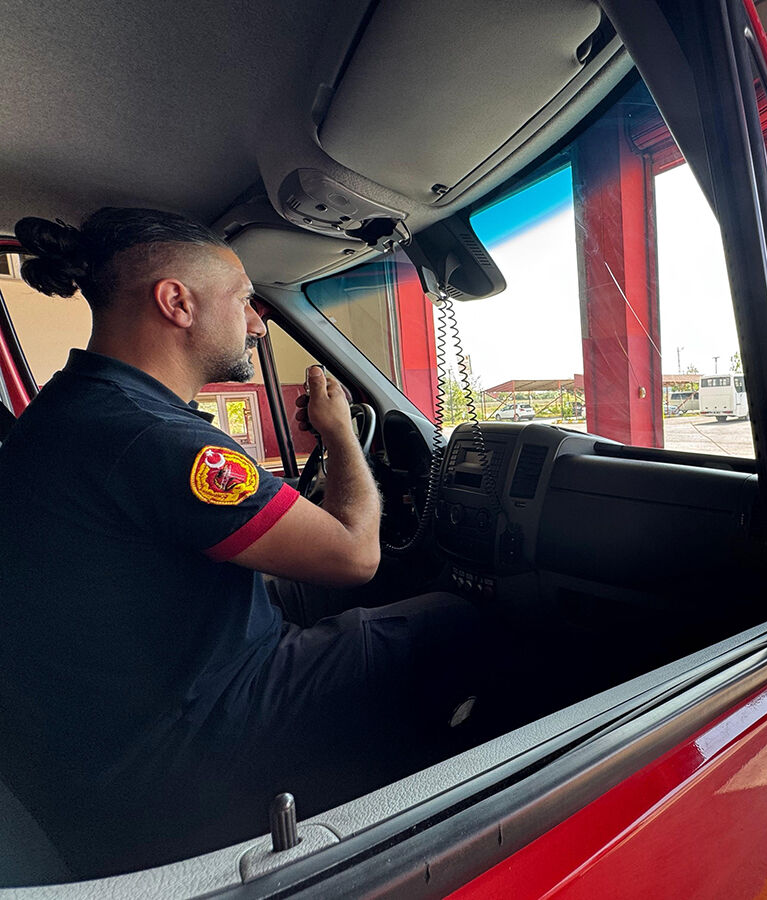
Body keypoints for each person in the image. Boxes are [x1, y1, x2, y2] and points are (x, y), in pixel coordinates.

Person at [0, 209, 484, 878]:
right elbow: (355, 555)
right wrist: (340, 432)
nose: (256, 321)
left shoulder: (72, 412)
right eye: (245, 300)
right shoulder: (155, 438)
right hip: (181, 743)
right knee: (456, 624)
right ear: (177, 303)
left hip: (96, 747)